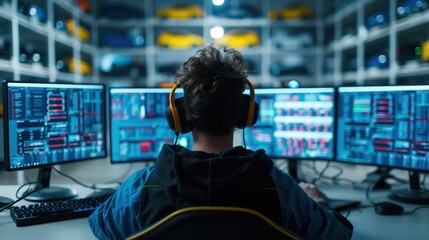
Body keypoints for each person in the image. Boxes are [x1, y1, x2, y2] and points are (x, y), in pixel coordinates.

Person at [88, 45, 353, 239]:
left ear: (179, 117)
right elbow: (337, 235)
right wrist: (319, 203)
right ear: (245, 114)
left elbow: (100, 227)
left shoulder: (146, 184)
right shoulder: (276, 185)